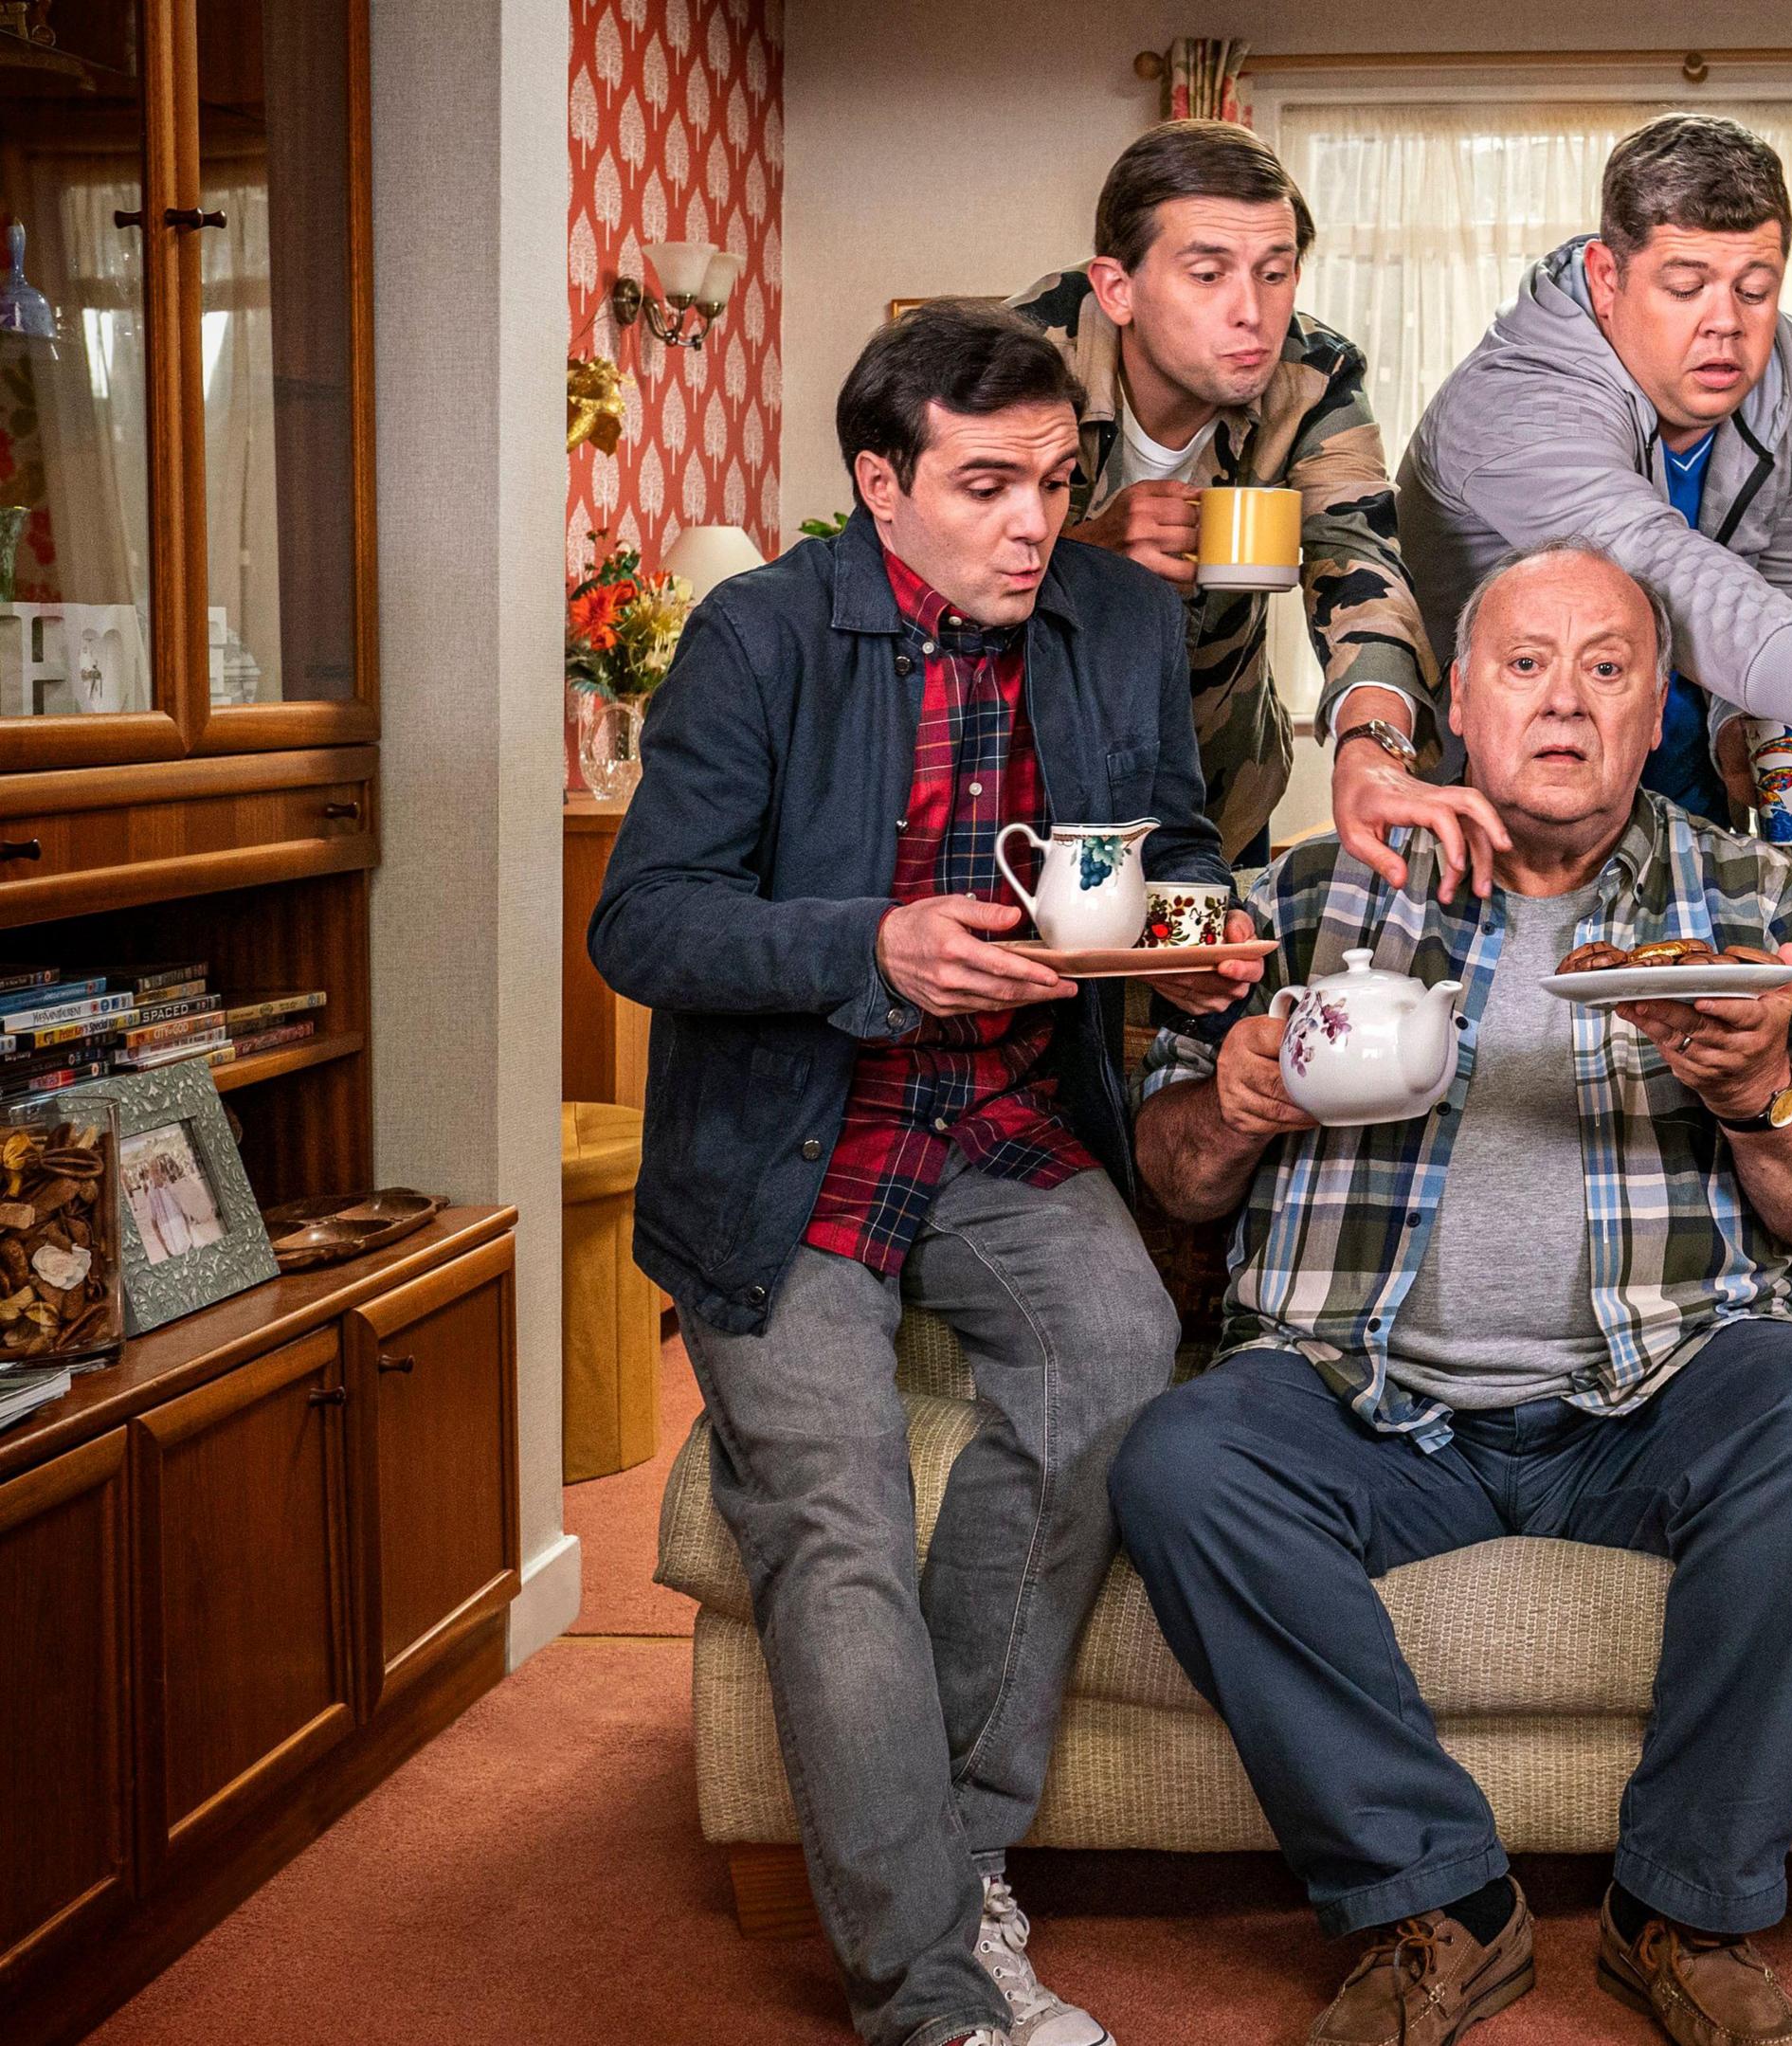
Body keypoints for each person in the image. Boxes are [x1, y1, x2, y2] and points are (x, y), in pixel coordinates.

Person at [1114, 539, 1792, 2046]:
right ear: (1456, 704)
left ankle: (1683, 1904)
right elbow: (1175, 1177)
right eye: (1525, 665)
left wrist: (1762, 1099)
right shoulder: (1304, 891)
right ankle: (1440, 1902)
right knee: (1182, 1458)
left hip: (1658, 1397)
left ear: (1657, 703)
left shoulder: (1751, 896)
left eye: (1607, 667)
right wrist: (1236, 1104)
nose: (1565, 701)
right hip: (1358, 1390)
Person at [591, 303, 1244, 2046]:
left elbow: (1172, 851)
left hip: (1008, 1121)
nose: (1037, 520)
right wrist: (869, 940)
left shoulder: (1117, 620)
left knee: (1113, 1363)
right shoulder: (757, 637)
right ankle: (931, 1990)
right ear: (881, 485)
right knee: (835, 1507)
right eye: (987, 483)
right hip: (791, 1133)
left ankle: (944, 1859)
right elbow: (641, 922)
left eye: (1057, 477)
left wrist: (1191, 938)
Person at [1398, 112, 1792, 844]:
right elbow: (1654, 562)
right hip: (1498, 828)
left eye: (1755, 290)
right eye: (1686, 286)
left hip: (1685, 824)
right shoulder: (1510, 399)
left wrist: (1739, 735)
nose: (1725, 324)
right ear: (1605, 279)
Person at [1010, 118, 1484, 884]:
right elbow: (924, 570)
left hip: (1214, 791)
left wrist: (1375, 747)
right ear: (1117, 288)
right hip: (1020, 791)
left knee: (1220, 1000)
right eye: (1208, 274)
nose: (1253, 314)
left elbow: (1362, 563)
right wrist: (1080, 556)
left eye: (1275, 272)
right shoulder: (1017, 362)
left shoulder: (1313, 375)